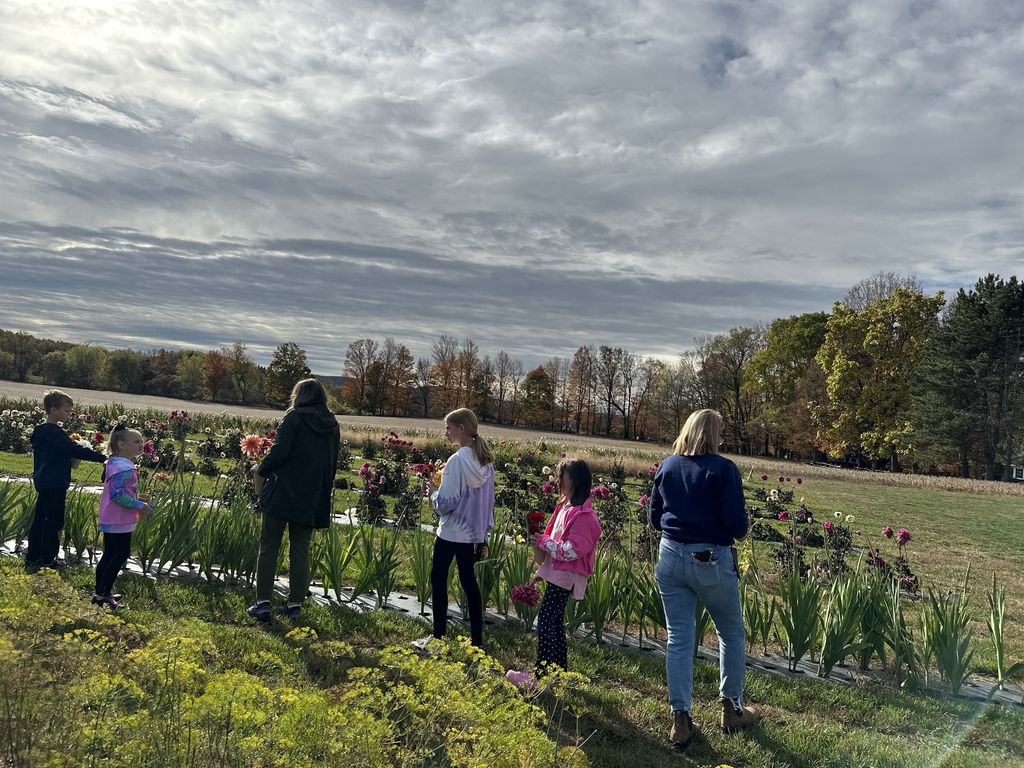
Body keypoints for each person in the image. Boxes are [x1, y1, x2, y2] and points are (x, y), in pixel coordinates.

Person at [649, 408, 760, 749]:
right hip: (709, 558)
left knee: (680, 639)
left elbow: (655, 518)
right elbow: (738, 527)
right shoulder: (724, 470)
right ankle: (731, 708)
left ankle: (680, 719)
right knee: (730, 632)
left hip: (669, 556)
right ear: (714, 434)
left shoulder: (667, 465)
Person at [247, 378, 340, 620]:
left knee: (269, 545)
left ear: (298, 396)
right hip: (311, 495)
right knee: (301, 549)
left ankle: (263, 602)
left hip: (283, 491)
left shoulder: (294, 417)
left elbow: (279, 452)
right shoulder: (332, 423)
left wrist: (261, 469)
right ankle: (294, 605)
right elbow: (332, 462)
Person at [506, 458, 601, 691]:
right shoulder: (566, 506)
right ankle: (558, 674)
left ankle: (542, 677)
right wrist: (544, 564)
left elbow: (571, 550)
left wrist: (542, 541)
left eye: (563, 477)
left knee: (547, 622)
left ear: (575, 481)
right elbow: (557, 541)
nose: (558, 481)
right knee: (554, 622)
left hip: (566, 574)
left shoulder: (584, 517)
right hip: (558, 572)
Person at [416, 408, 495, 649]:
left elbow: (446, 503)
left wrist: (432, 494)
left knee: (438, 580)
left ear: (461, 429)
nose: (446, 432)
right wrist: (484, 534)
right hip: (472, 534)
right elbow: (489, 502)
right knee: (469, 583)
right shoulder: (486, 462)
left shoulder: (456, 461)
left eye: (449, 427)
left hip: (451, 532)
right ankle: (476, 641)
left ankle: (438, 636)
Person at [26, 390, 106, 571]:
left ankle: (33, 556)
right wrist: (102, 458)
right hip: (55, 482)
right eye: (67, 410)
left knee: (40, 519)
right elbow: (73, 450)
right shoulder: (54, 432)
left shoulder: (40, 431)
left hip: (44, 480)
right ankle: (47, 559)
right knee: (53, 521)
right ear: (53, 410)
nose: (69, 414)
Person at [93, 425, 153, 609]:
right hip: (119, 519)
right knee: (120, 554)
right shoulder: (124, 468)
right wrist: (139, 505)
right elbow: (118, 495)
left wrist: (135, 497)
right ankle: (103, 594)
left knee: (110, 554)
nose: (141, 444)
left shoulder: (115, 462)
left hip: (111, 517)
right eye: (136, 441)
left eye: (141, 441)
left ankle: (100, 593)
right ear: (121, 444)